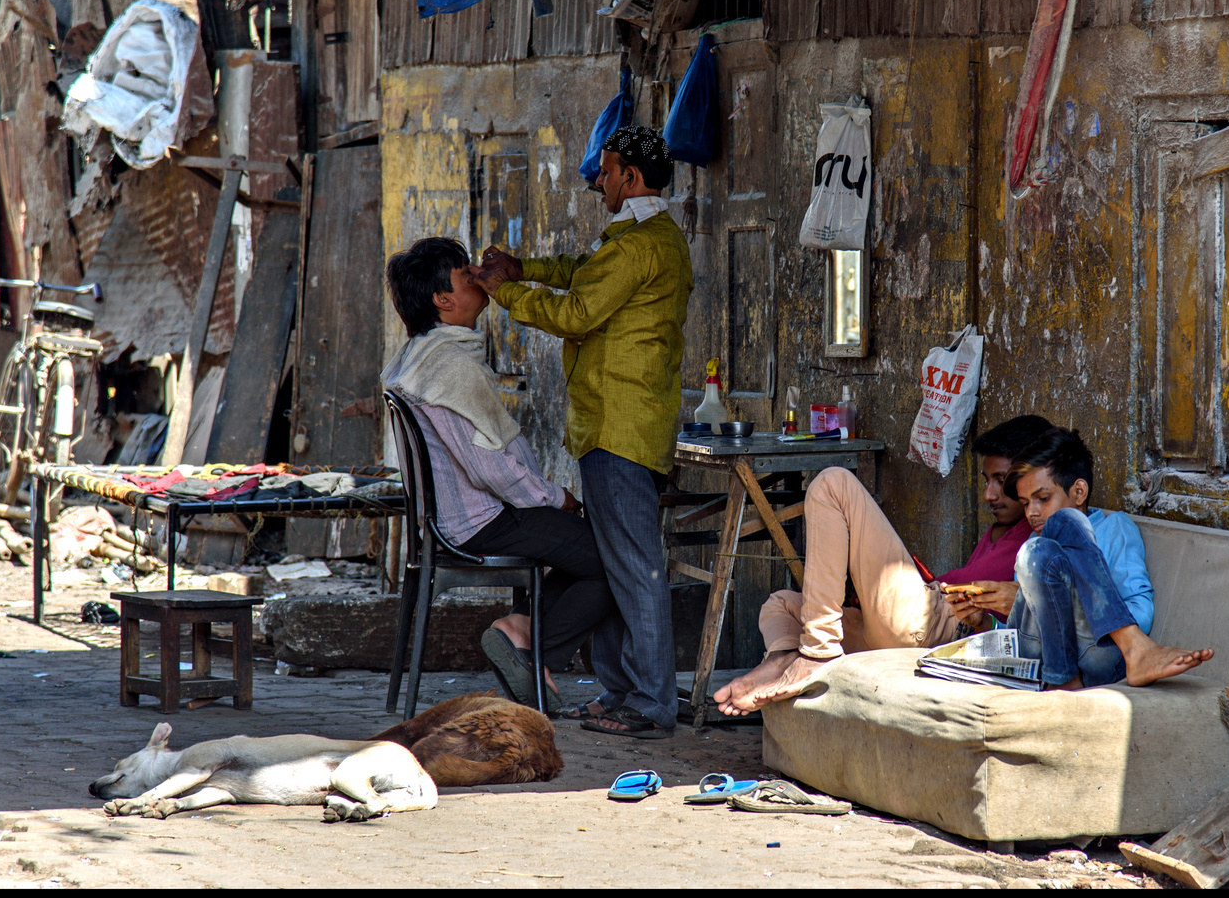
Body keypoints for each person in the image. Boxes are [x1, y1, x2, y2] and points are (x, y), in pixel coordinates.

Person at [472, 127, 693, 739]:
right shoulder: (639, 239)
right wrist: (527, 269)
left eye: (607, 170)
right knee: (621, 567)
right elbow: (581, 273)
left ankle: (650, 702)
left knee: (639, 570)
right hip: (615, 423)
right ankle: (623, 690)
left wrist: (507, 290)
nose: (597, 179)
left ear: (630, 178)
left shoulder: (639, 246)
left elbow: (576, 312)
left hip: (620, 426)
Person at [381, 236, 614, 713]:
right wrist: (556, 497)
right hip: (480, 521)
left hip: (454, 519)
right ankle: (534, 647)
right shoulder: (450, 367)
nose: (477, 276)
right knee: (614, 558)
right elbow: (489, 469)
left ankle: (522, 628)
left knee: (588, 547)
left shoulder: (420, 355)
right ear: (443, 300)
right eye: (465, 274)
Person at [714, 414, 1056, 716]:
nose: (989, 495)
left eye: (1002, 481)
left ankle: (818, 651)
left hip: (935, 623)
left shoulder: (1045, 528)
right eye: (986, 481)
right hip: (910, 619)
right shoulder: (1001, 529)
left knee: (832, 483)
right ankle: (782, 660)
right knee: (781, 604)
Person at [1001, 426, 1213, 689]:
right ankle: (1069, 676)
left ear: (1079, 491)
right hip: (1039, 660)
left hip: (1096, 653)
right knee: (1037, 552)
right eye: (1024, 503)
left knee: (1063, 524)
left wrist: (1075, 601)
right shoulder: (1031, 547)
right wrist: (981, 621)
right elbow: (1023, 631)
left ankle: (1131, 649)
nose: (1031, 512)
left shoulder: (1115, 529)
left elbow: (1142, 612)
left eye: (1042, 498)